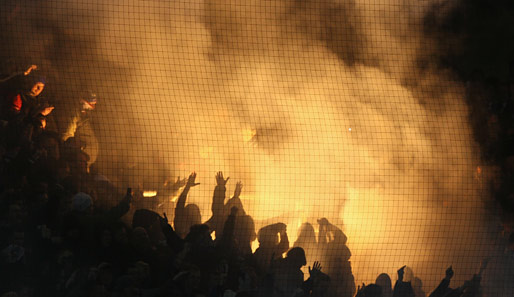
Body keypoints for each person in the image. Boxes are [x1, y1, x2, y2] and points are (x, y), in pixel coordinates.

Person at [61, 90, 99, 168]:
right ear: (82, 101)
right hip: (79, 162)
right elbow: (67, 136)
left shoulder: (87, 116)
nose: (92, 107)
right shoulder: (74, 114)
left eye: (94, 104)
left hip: (86, 162)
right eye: (91, 104)